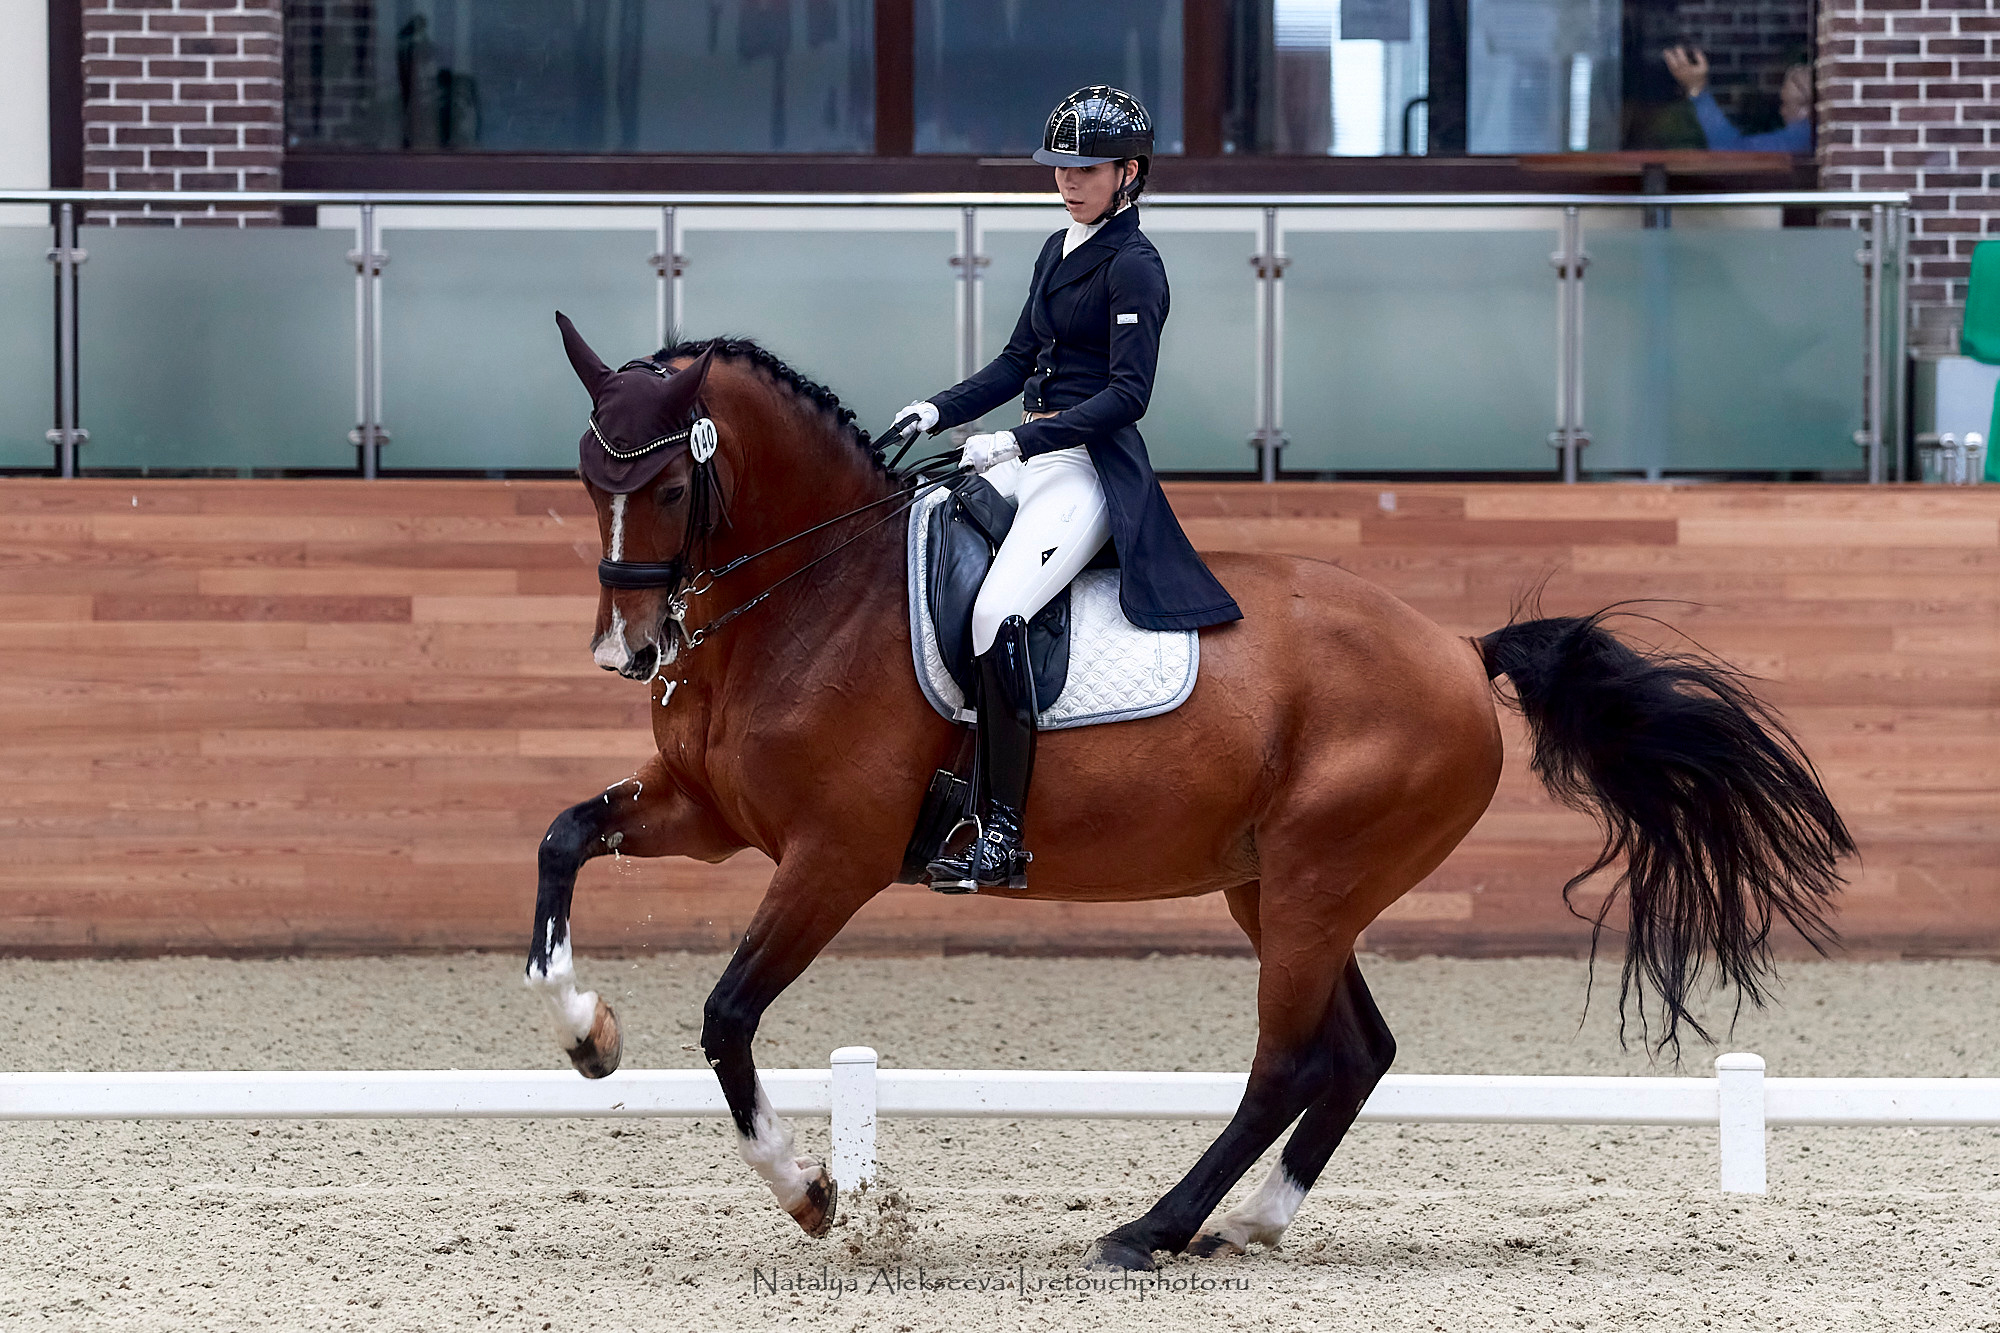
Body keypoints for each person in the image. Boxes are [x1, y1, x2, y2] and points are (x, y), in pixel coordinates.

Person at [890, 85, 1243, 893]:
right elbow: (1018, 363)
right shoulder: (1058, 247)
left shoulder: (1136, 267)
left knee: (995, 611)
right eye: (1060, 167)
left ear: (1128, 173)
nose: (1068, 180)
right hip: (1027, 455)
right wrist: (937, 408)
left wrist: (1017, 437)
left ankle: (1003, 834)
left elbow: (1127, 396)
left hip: (1084, 466)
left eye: (1086, 168)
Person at [1663, 46, 1813, 154]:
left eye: (1786, 104)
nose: (1782, 112)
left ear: (1806, 109)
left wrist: (1697, 89)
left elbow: (1731, 151)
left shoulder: (1803, 137)